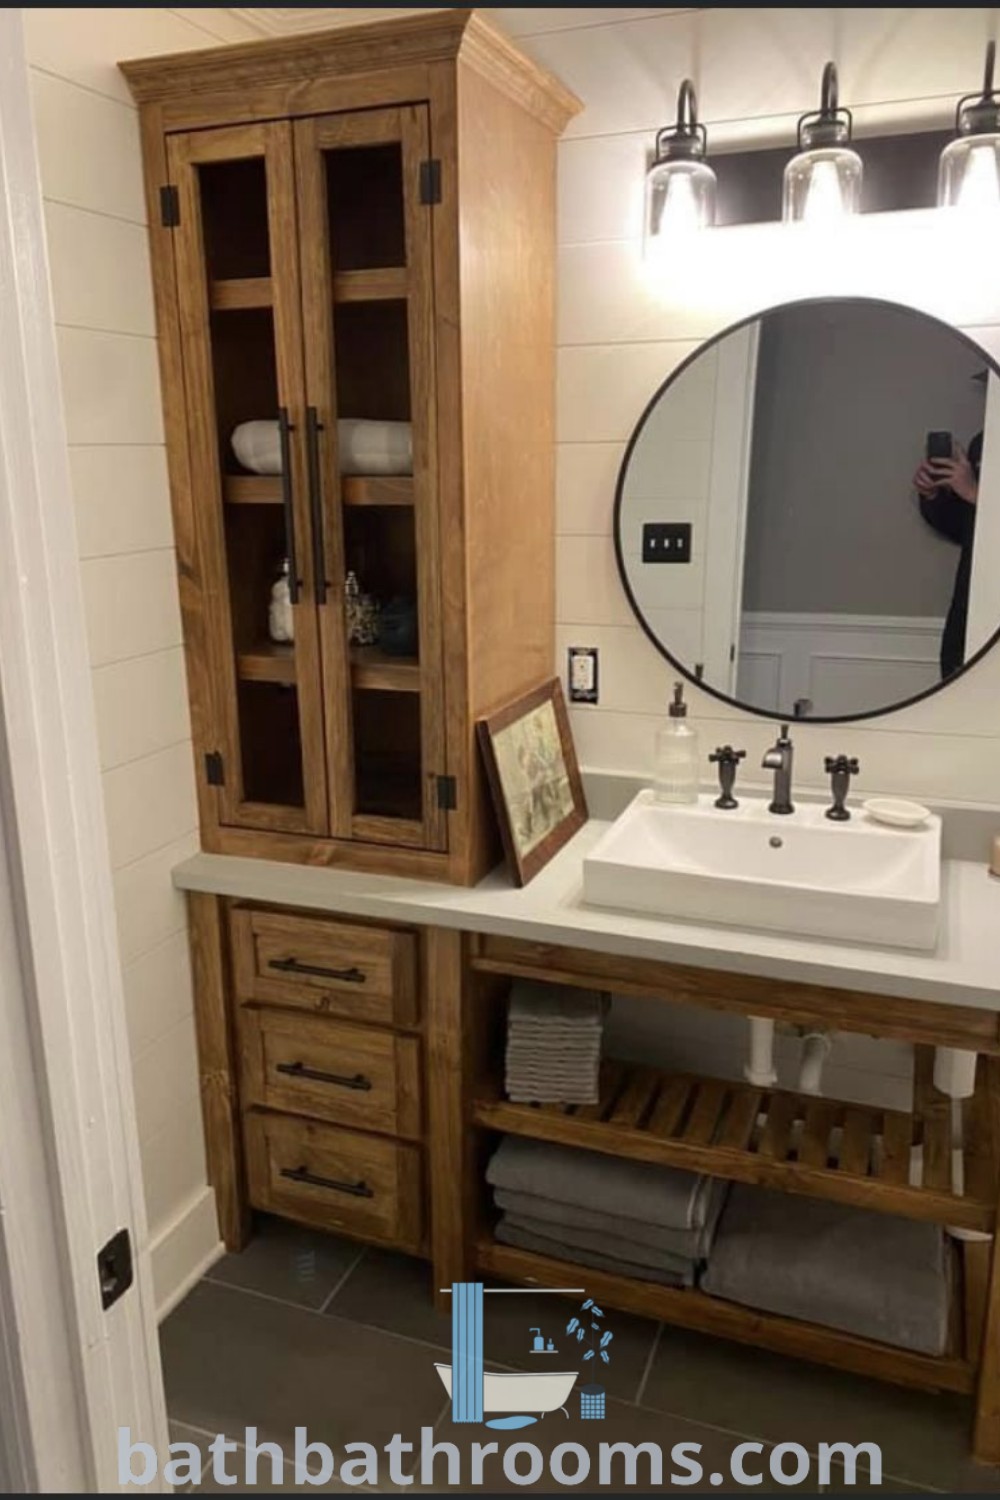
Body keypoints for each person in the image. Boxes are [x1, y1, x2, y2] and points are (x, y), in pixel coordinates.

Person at [913, 432, 981, 677]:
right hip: (968, 605)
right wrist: (933, 495)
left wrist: (976, 494)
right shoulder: (984, 442)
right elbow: (965, 528)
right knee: (957, 688)